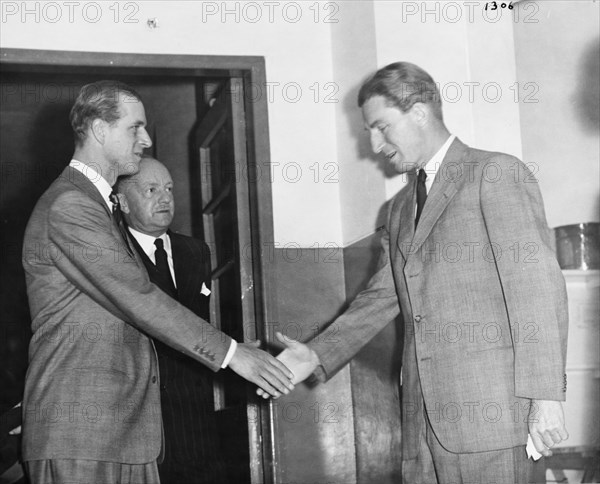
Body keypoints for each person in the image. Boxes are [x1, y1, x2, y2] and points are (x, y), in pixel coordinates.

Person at [264, 62, 569, 483]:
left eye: (381, 127)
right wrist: (317, 353)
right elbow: (381, 297)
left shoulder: (493, 174)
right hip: (423, 423)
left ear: (420, 112)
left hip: (494, 418)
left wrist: (546, 397)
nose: (374, 144)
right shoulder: (399, 209)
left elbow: (536, 290)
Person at [21, 80, 293, 483]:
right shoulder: (71, 204)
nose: (146, 139)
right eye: (135, 128)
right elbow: (136, 295)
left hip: (125, 436)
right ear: (99, 129)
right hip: (82, 433)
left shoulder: (99, 205)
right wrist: (232, 353)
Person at [114, 156, 227, 483]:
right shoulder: (112, 254)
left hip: (197, 413)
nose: (165, 198)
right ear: (122, 202)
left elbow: (204, 323)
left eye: (168, 189)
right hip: (143, 417)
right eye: (151, 190)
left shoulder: (196, 251)